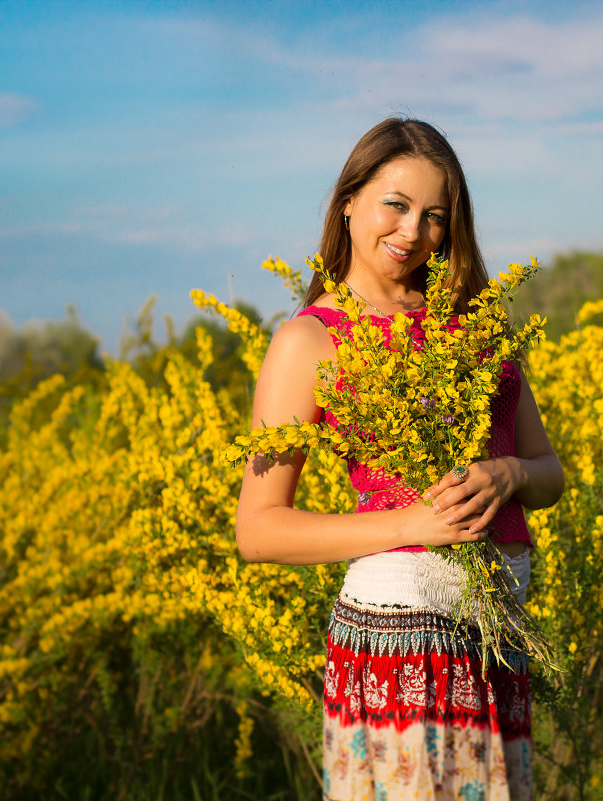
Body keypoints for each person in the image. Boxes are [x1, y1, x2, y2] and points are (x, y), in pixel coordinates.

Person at [235, 117, 564, 801]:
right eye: (396, 204)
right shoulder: (311, 340)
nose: (413, 232)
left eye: (435, 217)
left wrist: (509, 476)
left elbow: (548, 472)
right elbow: (259, 529)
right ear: (349, 200)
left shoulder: (475, 323)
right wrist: (413, 520)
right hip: (402, 644)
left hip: (493, 644)